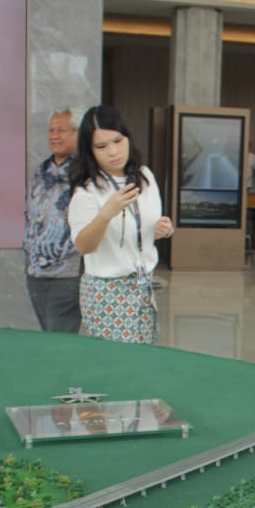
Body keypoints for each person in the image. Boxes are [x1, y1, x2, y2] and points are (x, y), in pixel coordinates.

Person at [67, 105, 174, 344]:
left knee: (143, 360)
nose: (113, 151)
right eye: (101, 146)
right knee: (113, 366)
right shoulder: (88, 190)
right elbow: (83, 245)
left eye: (118, 140)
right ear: (90, 150)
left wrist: (164, 229)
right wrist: (106, 214)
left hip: (143, 286)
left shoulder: (145, 176)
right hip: (106, 291)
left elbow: (145, 226)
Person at [23, 108, 83, 333]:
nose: (54, 136)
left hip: (67, 273)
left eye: (61, 130)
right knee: (48, 333)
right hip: (36, 272)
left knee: (60, 336)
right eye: (51, 130)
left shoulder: (83, 172)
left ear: (77, 134)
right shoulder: (42, 171)